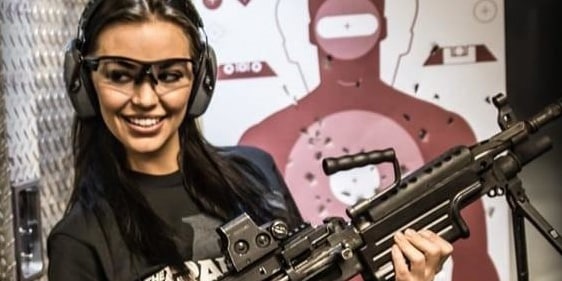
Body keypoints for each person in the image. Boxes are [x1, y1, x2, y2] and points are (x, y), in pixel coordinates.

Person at [47, 0, 453, 280]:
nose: (146, 99)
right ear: (84, 82)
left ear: (200, 81)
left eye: (170, 75)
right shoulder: (80, 241)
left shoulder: (254, 172)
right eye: (120, 74)